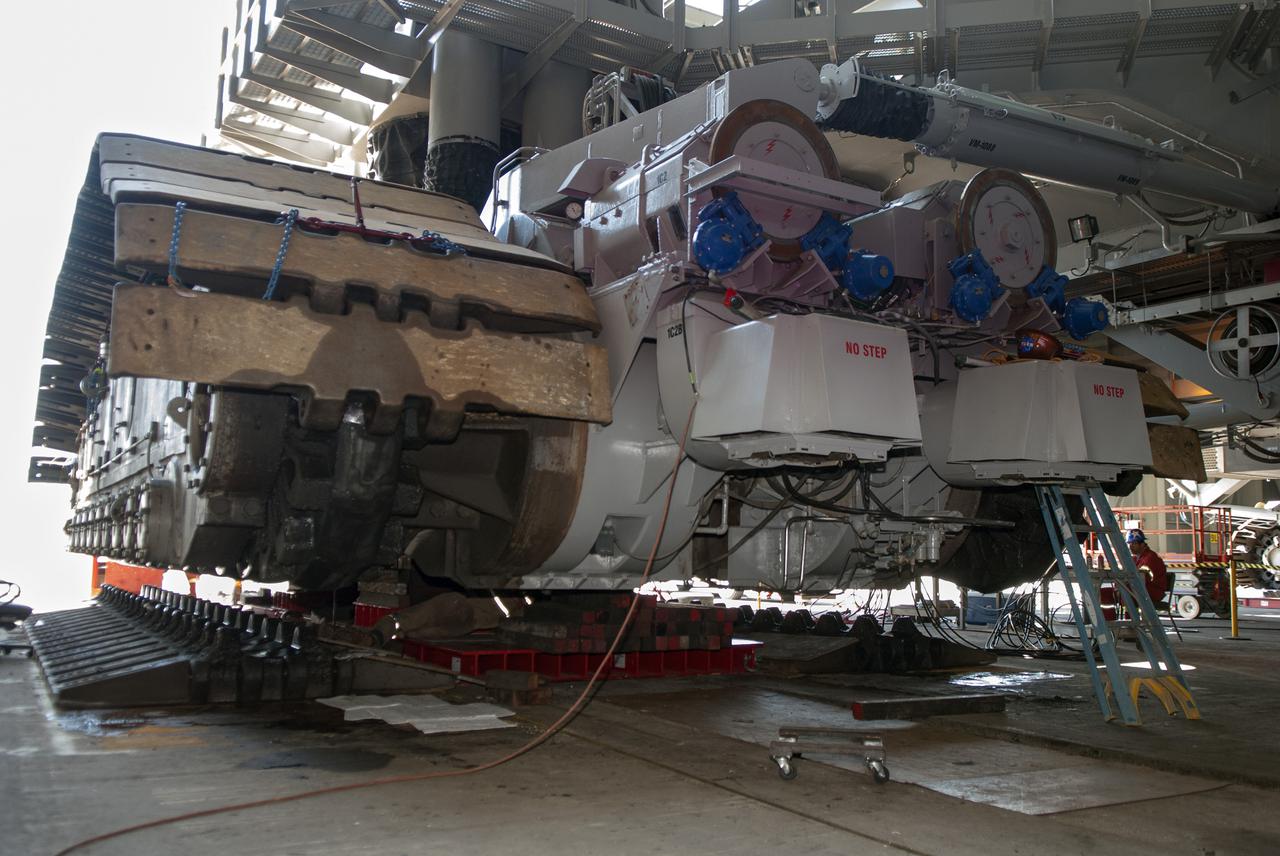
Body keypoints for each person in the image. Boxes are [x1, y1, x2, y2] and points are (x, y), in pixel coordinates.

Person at [1126, 529, 1169, 605]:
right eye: (1129, 543)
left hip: (1151, 591)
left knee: (1123, 594)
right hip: (1143, 590)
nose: (1130, 546)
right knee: (1110, 592)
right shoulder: (1136, 558)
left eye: (1134, 543)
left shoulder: (1150, 558)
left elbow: (1140, 577)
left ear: (1142, 544)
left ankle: (1130, 617)